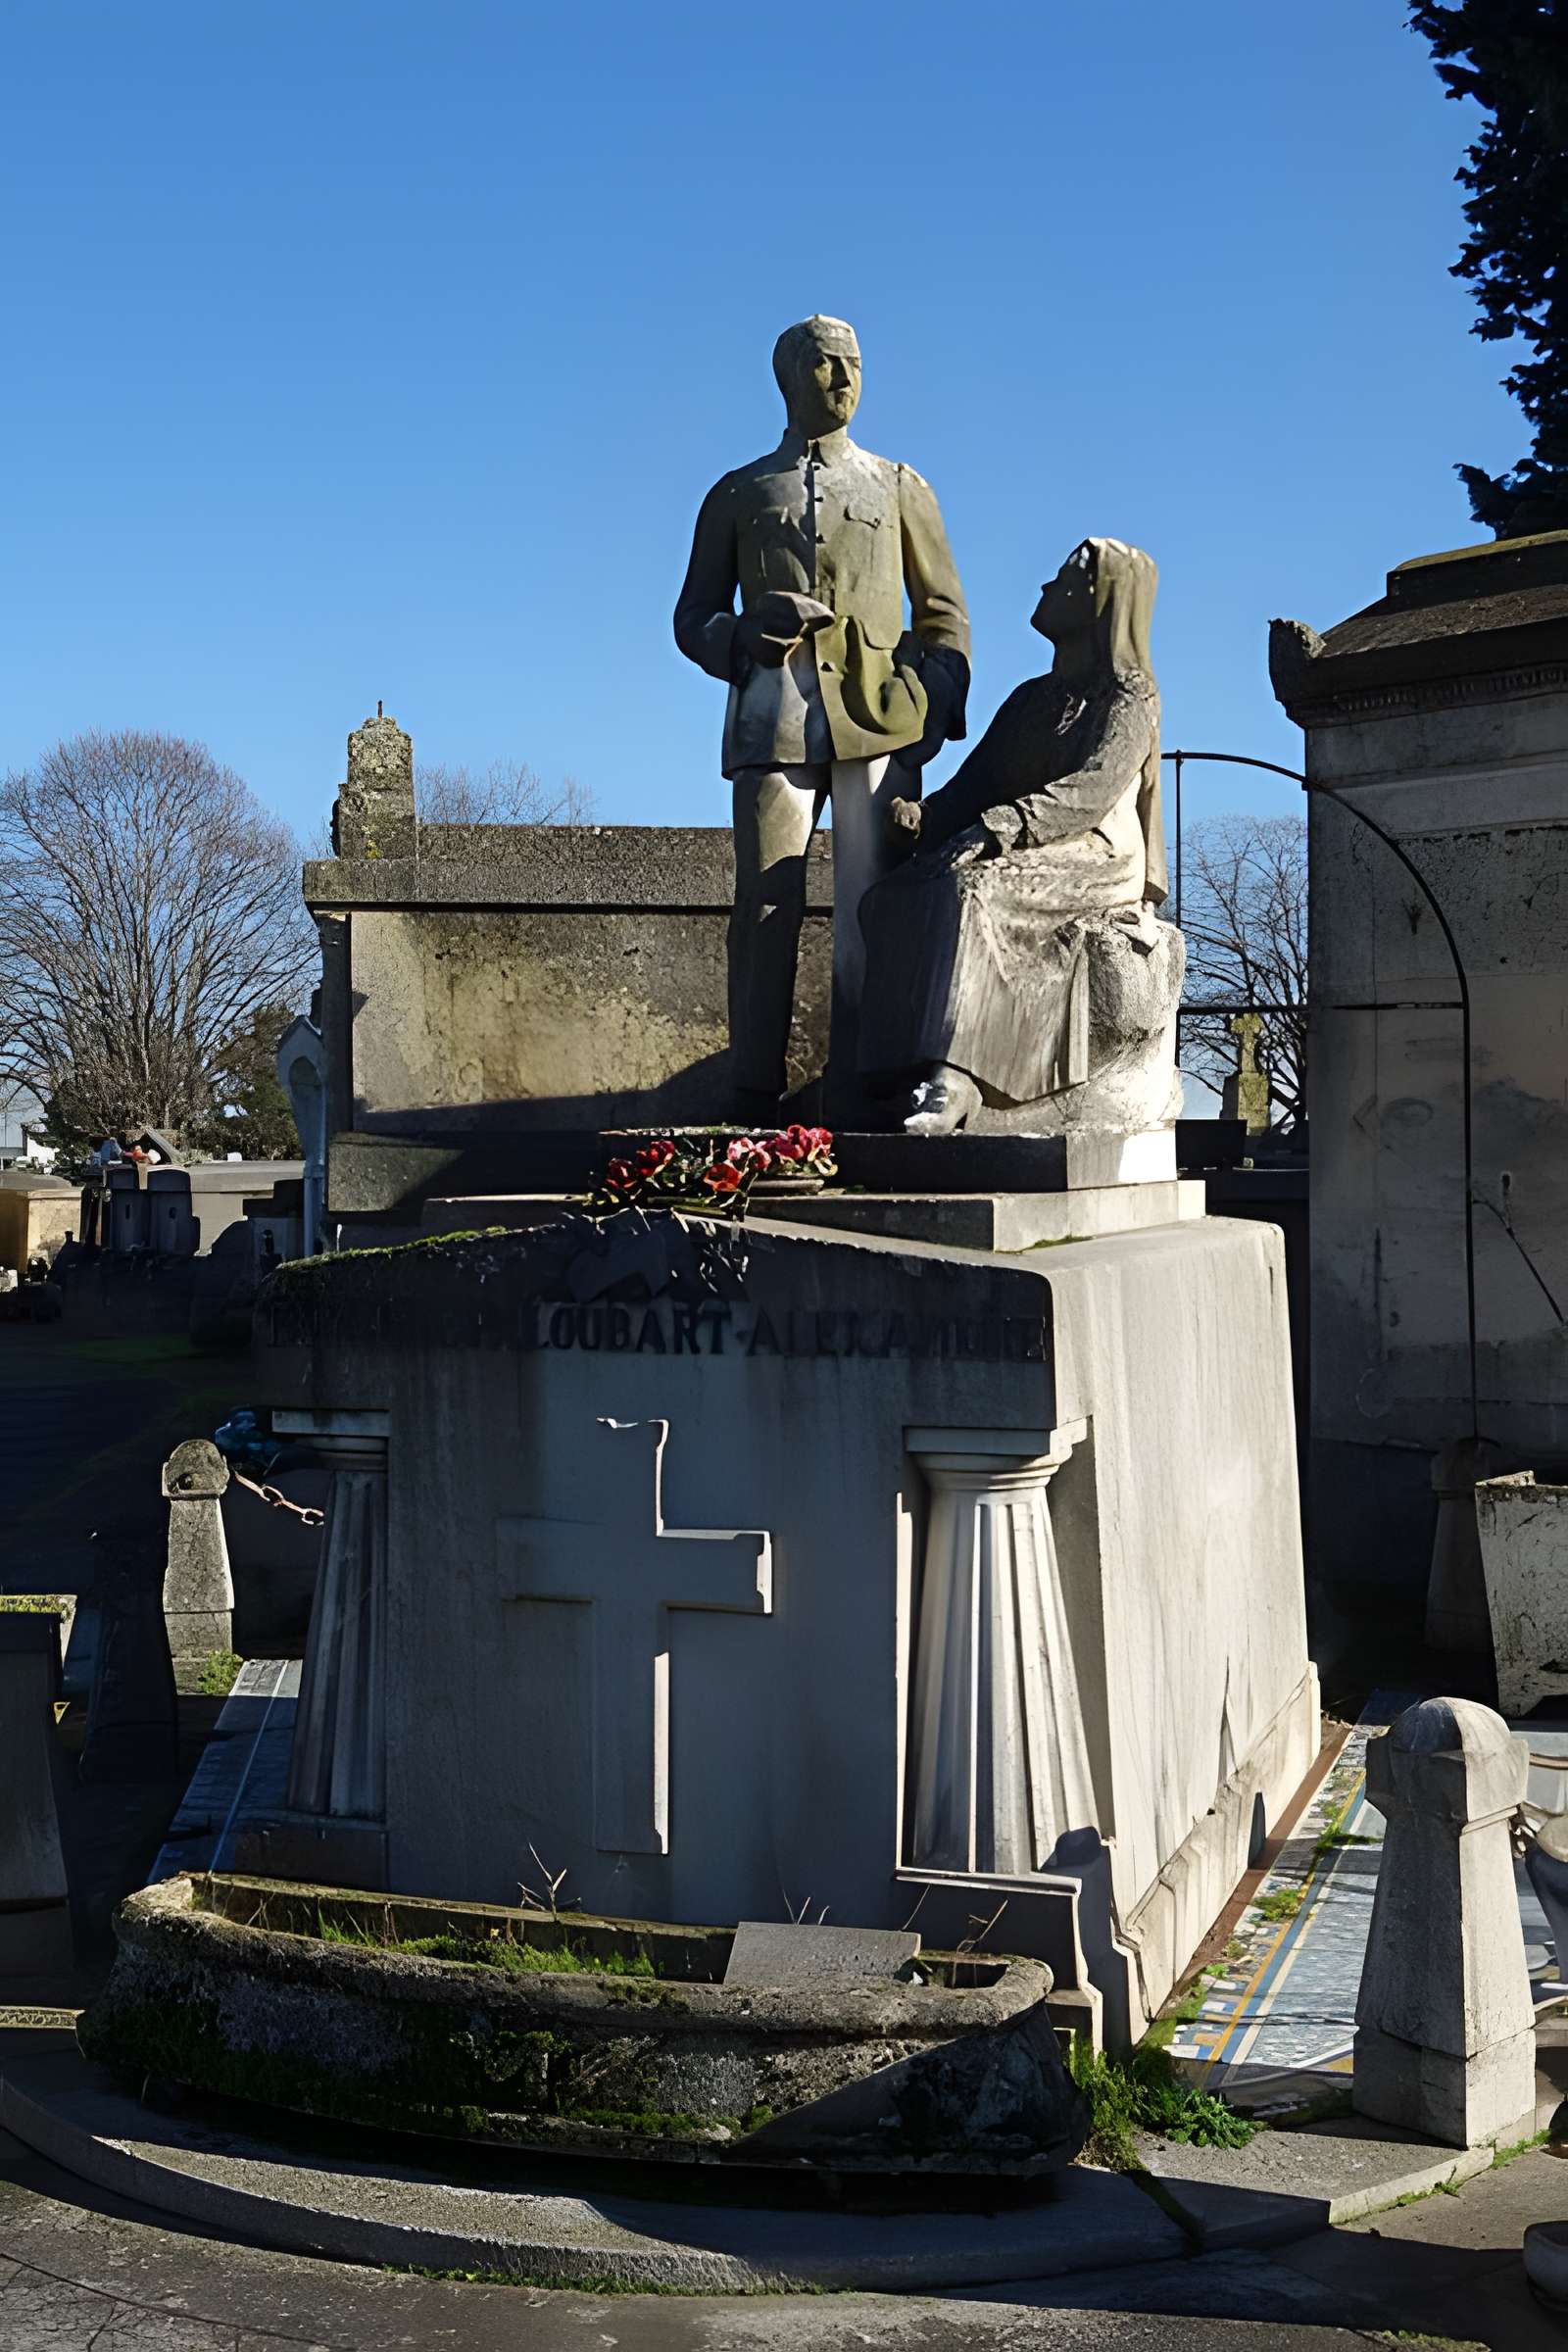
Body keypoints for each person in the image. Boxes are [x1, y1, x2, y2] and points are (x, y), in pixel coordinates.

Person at [674, 315, 969, 1114]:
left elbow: (944, 615)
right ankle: (753, 1086)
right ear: (787, 379)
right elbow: (692, 616)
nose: (842, 380)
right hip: (773, 714)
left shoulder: (900, 485)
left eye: (853, 365)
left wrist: (933, 699)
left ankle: (866, 1081)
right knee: (766, 901)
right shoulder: (737, 493)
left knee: (874, 899)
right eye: (823, 365)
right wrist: (740, 633)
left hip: (879, 715)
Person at [858, 537, 1181, 1136]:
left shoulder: (1129, 695)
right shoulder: (1029, 700)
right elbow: (978, 781)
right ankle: (884, 1077)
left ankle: (956, 1077)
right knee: (890, 897)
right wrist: (925, 819)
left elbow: (1092, 789)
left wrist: (1001, 827)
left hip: (1096, 852)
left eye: (1063, 579)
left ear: (1102, 601)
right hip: (1025, 836)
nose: (1043, 588)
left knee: (975, 890)